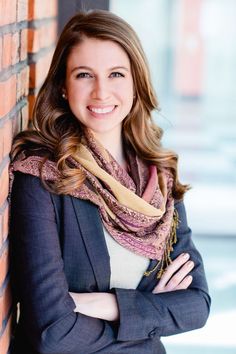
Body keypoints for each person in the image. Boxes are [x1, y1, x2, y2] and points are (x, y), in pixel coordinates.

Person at [9, 9, 210, 354]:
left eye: (116, 74)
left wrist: (108, 305)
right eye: (84, 74)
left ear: (135, 84)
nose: (101, 92)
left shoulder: (157, 178)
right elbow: (52, 334)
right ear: (62, 87)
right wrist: (148, 314)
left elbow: (197, 305)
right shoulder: (42, 176)